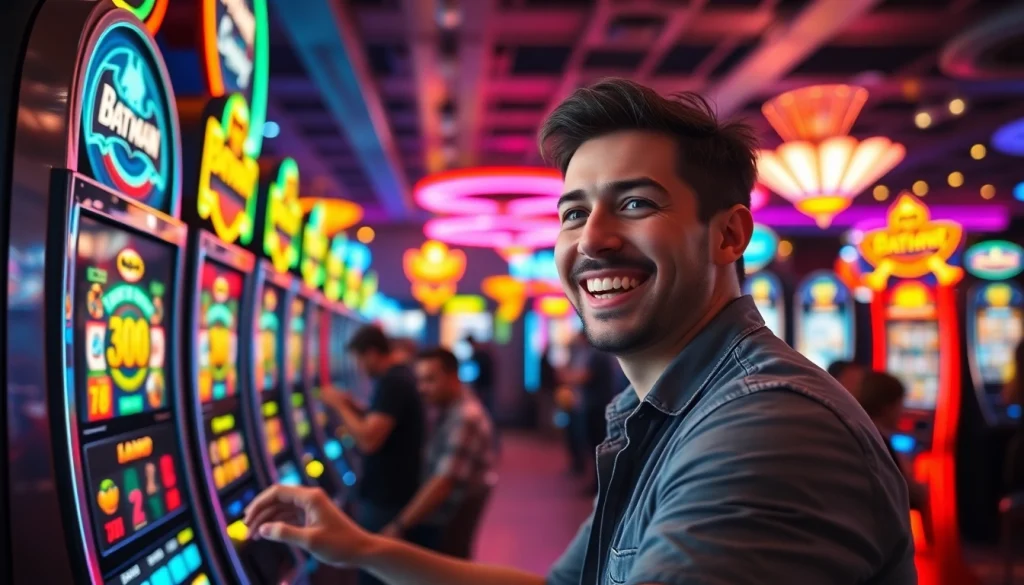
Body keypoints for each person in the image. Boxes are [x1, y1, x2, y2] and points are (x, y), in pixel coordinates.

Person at [245, 78, 915, 584]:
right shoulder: (668, 410)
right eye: (573, 212)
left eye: (634, 203)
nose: (592, 239)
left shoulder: (765, 429)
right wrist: (363, 546)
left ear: (729, 234)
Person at [320, 325, 428, 584]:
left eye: (359, 360)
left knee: (374, 570)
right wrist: (353, 405)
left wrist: (338, 406)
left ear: (371, 353)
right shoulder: (396, 378)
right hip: (392, 488)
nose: (359, 368)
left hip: (387, 496)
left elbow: (369, 440)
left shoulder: (394, 382)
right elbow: (383, 419)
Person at [384, 347, 496, 559]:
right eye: (419, 381)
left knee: (376, 525)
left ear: (453, 377)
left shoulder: (465, 418)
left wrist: (398, 526)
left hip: (440, 524)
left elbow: (443, 484)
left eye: (430, 380)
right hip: (441, 516)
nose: (422, 388)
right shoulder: (450, 408)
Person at [855, 370, 927, 511]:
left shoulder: (859, 429)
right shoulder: (880, 442)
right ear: (888, 407)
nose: (903, 411)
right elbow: (909, 496)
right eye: (901, 404)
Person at [559, 331, 617, 492]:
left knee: (597, 445)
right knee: (595, 445)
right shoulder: (597, 353)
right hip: (597, 405)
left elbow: (585, 377)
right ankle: (598, 482)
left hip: (597, 406)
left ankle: (600, 484)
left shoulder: (597, 355)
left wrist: (567, 376)